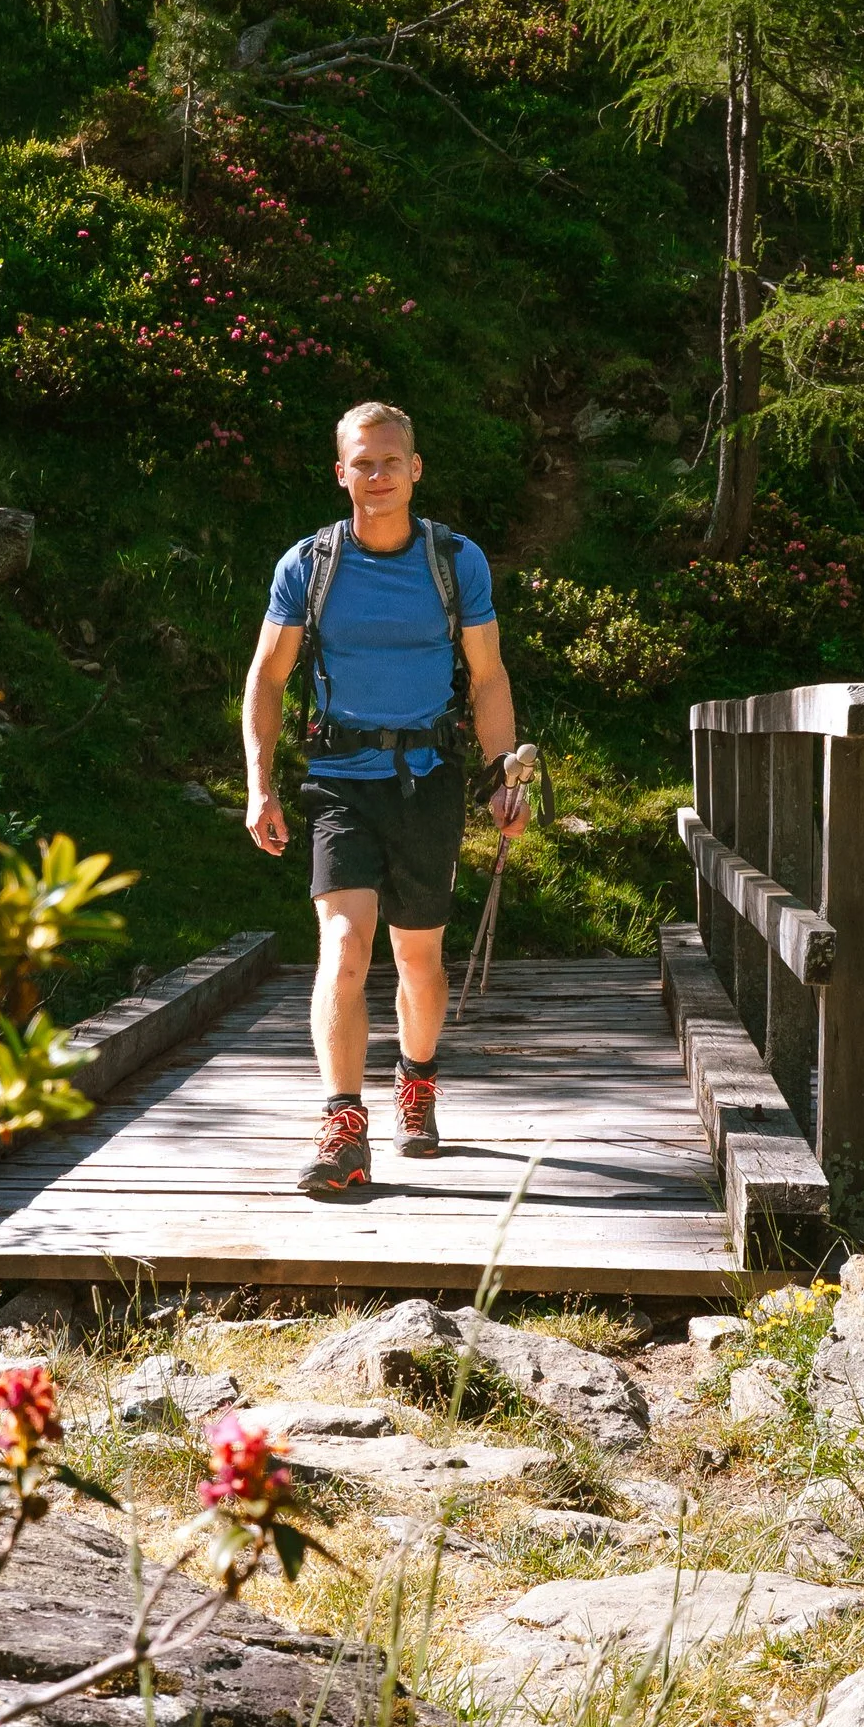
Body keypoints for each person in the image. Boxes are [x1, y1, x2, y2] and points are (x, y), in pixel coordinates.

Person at [241, 398, 527, 1198]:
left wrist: (503, 771)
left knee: (417, 955)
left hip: (430, 781)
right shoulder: (309, 564)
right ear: (341, 472)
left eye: (389, 462)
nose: (376, 476)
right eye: (361, 463)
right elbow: (266, 677)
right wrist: (261, 783)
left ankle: (418, 1079)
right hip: (339, 780)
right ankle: (343, 1126)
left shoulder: (454, 560)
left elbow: (488, 675)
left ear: (414, 469)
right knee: (343, 942)